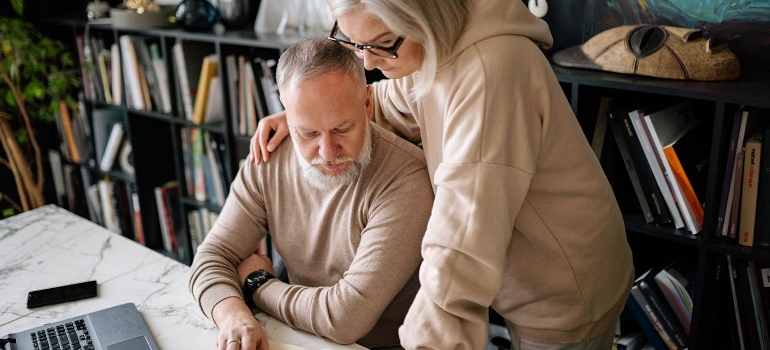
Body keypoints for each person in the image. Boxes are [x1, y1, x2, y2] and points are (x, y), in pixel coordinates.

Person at [249, 0, 636, 349]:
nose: (366, 63)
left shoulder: (490, 73)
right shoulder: (436, 46)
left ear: (423, 15)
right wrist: (306, 119)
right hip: (525, 276)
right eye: (353, 41)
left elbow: (459, 246)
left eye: (381, 43)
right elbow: (389, 100)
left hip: (564, 292)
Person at [188, 37, 434, 350]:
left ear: (368, 104)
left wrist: (257, 285)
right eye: (308, 132)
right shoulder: (269, 156)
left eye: (343, 128)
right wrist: (233, 316)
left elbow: (345, 319)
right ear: (286, 116)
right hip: (296, 336)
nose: (328, 151)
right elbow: (212, 256)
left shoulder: (407, 180)